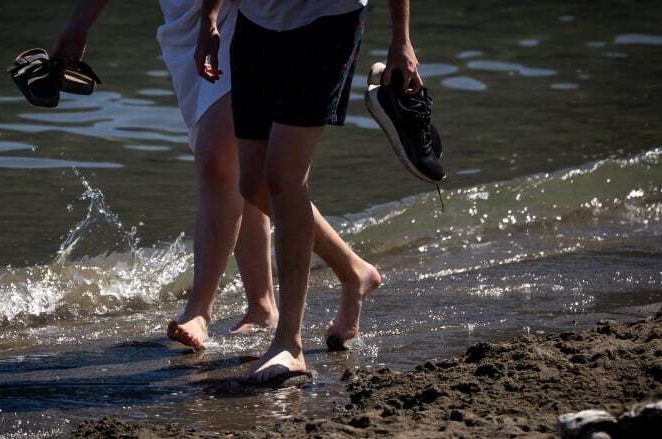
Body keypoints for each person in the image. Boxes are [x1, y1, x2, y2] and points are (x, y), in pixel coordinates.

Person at [52, 0, 380, 355]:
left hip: (240, 16)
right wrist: (78, 25)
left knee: (218, 161)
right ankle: (276, 298)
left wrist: (210, 17)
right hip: (182, 24)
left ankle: (200, 309)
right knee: (244, 172)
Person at [195, 0, 422, 382]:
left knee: (283, 176)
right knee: (252, 184)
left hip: (327, 20)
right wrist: (209, 18)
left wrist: (401, 38)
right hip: (255, 24)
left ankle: (290, 344)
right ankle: (354, 271)